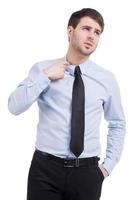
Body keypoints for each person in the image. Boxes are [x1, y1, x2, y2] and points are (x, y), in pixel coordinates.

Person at [8, 8, 126, 200]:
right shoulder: (42, 69)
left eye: (97, 32)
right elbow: (14, 106)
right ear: (70, 31)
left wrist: (107, 167)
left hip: (87, 174)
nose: (92, 36)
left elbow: (118, 123)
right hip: (44, 171)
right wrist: (45, 76)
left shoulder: (106, 79)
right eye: (86, 28)